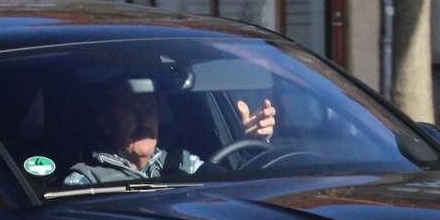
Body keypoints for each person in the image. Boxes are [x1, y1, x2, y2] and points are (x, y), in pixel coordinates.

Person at [59, 81, 280, 186]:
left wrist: (252, 144)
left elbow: (232, 189)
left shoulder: (185, 164)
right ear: (107, 124)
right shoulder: (85, 182)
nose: (143, 122)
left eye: (150, 111)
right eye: (129, 112)